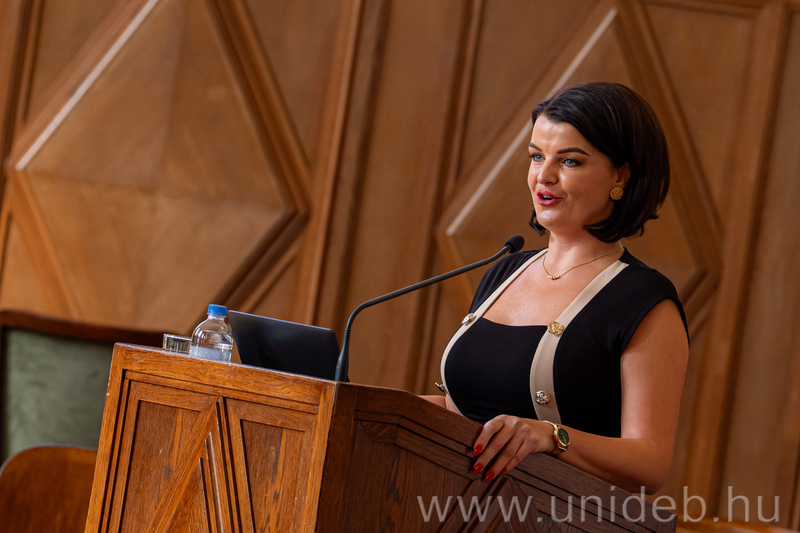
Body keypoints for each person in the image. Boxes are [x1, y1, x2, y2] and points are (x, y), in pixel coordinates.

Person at [424, 82, 689, 495]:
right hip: (447, 504)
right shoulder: (505, 271)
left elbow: (649, 463)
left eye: (569, 161)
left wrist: (551, 436)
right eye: (536, 156)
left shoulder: (644, 301)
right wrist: (374, 404)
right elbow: (468, 412)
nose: (543, 177)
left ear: (620, 175)